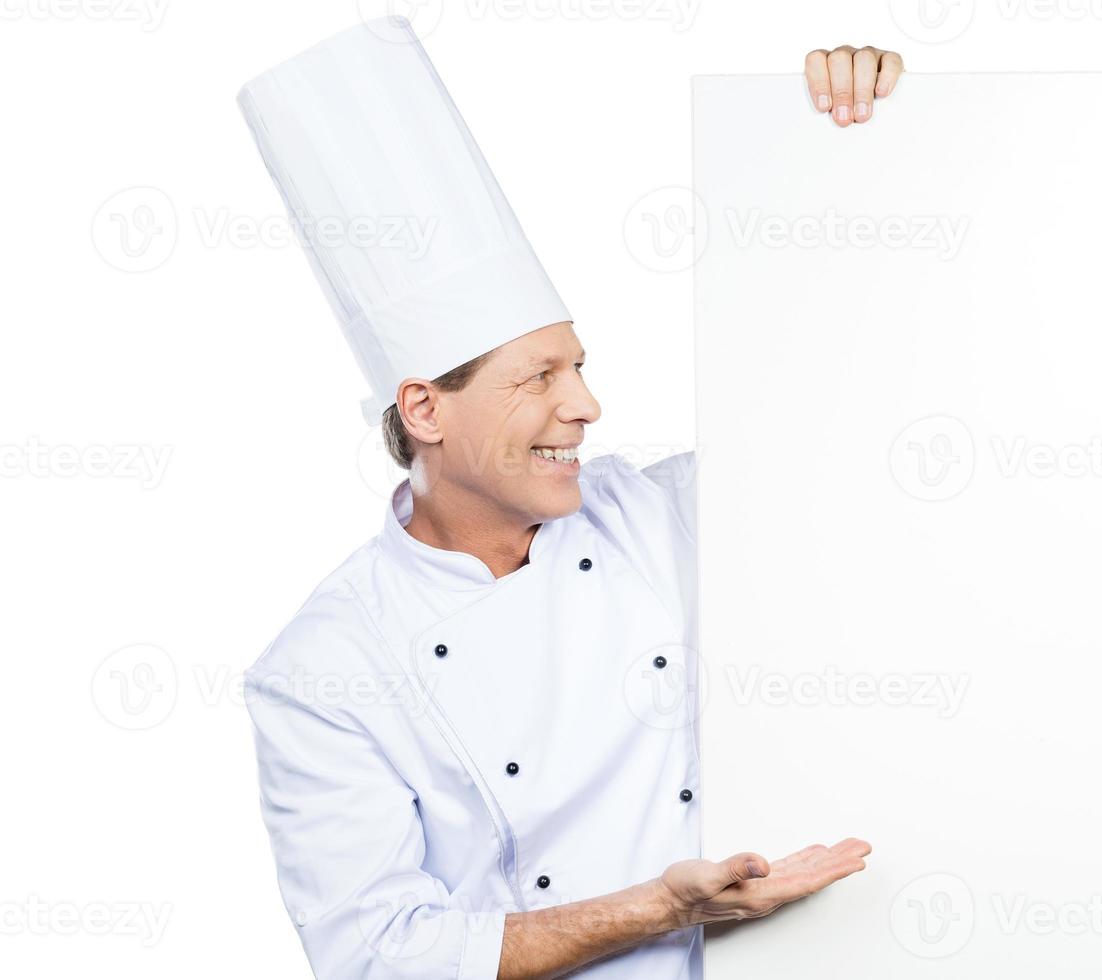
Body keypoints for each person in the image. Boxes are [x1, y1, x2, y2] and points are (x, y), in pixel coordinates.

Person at [238, 18, 904, 980]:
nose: (585, 406)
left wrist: (850, 146)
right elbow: (378, 959)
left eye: (579, 367)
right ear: (423, 407)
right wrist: (658, 908)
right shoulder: (322, 669)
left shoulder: (665, 514)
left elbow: (842, 417)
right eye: (538, 377)